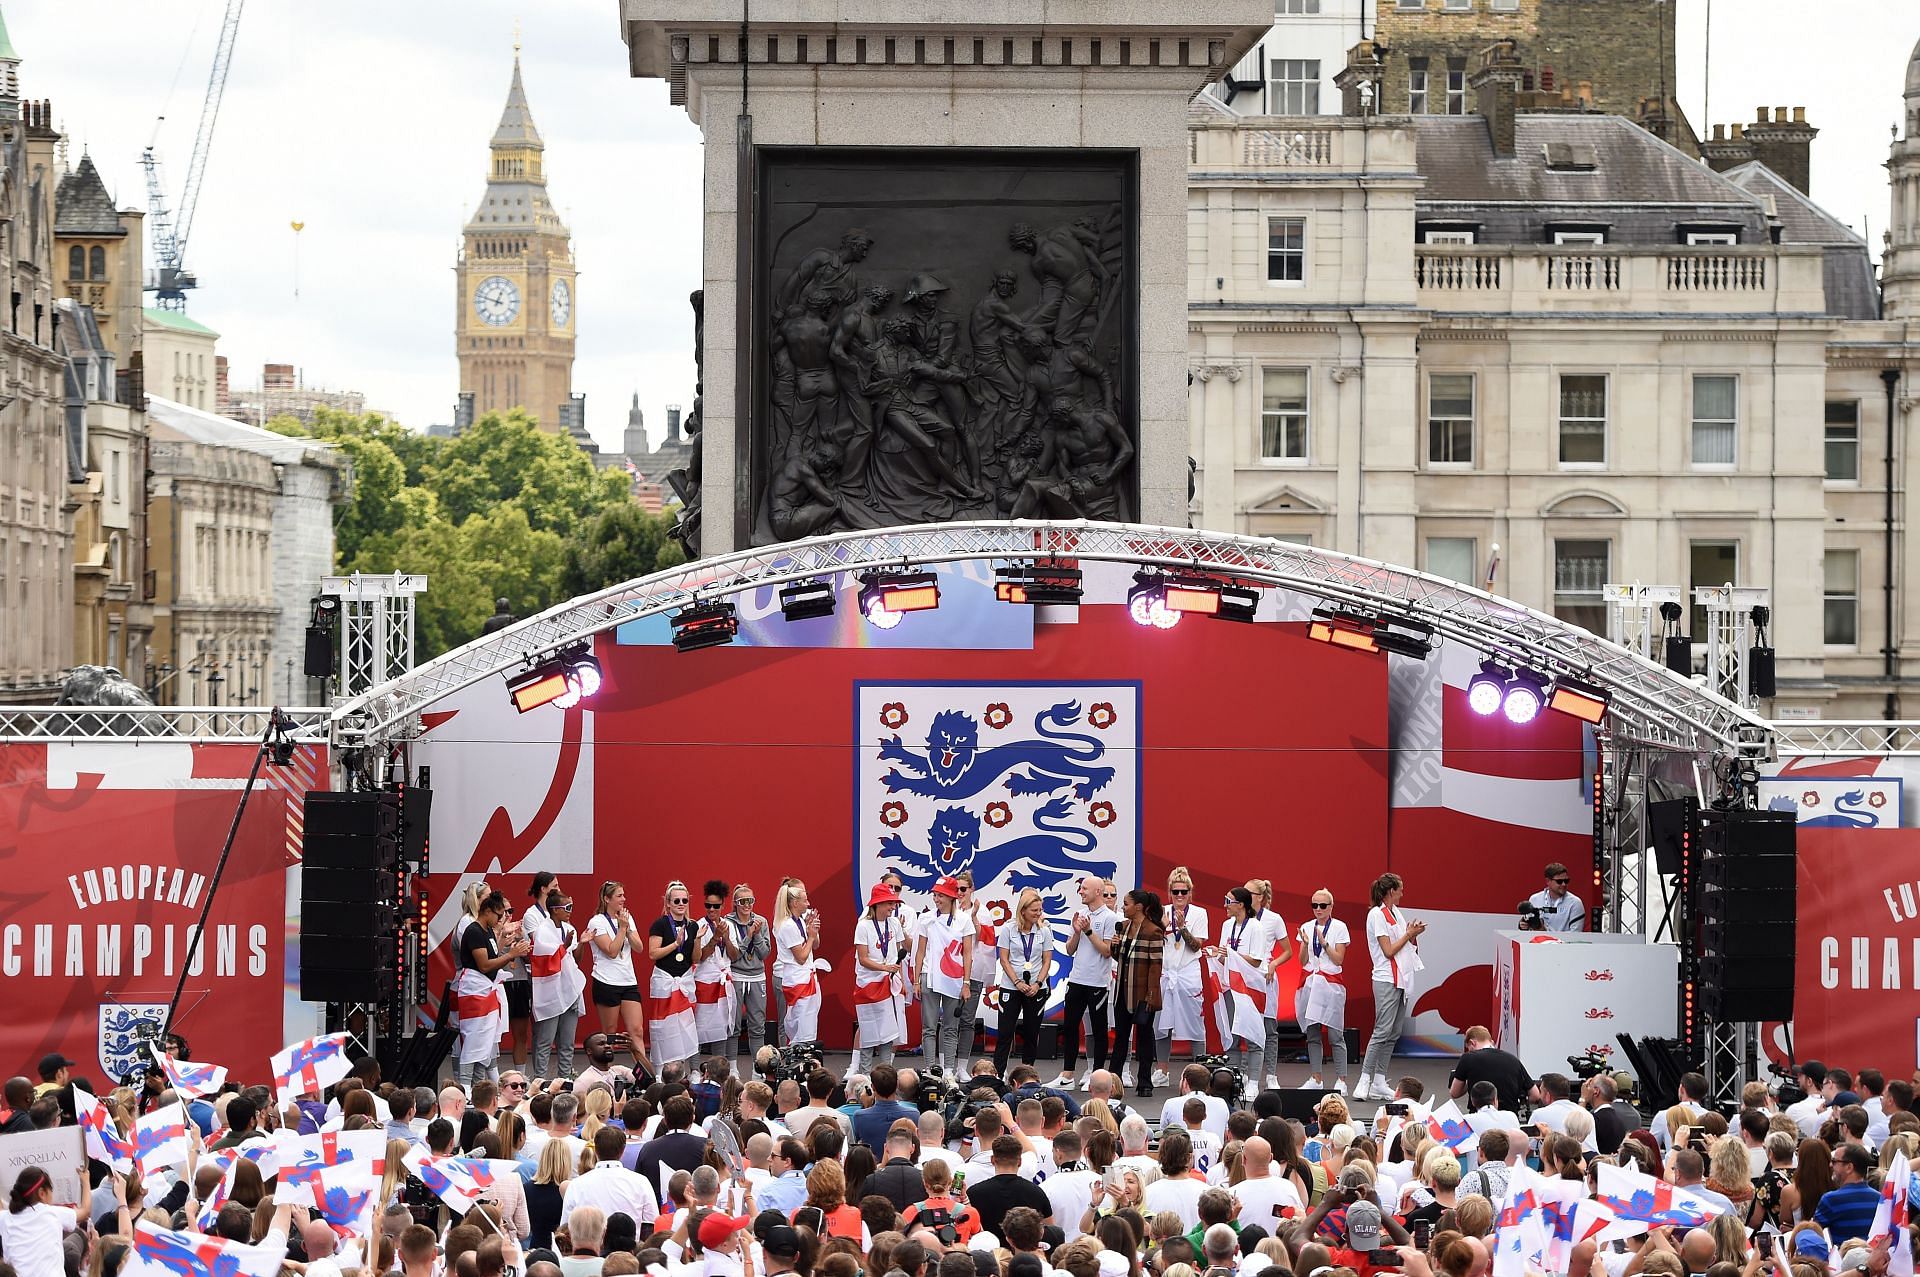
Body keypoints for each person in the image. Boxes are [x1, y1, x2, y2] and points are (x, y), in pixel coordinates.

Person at [1357, 873, 1423, 1101]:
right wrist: (1409, 934)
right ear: (1390, 891)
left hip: (1401, 979)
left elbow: (1404, 944)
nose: (1403, 893)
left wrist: (1413, 935)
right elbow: (1388, 950)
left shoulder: (1396, 913)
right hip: (1386, 977)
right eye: (1400, 889)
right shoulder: (1376, 915)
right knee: (1381, 1030)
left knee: (1393, 1032)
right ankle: (1364, 1079)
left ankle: (1378, 1080)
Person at [458, 891, 530, 1085]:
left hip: (488, 990)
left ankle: (480, 1086)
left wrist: (503, 945)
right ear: (487, 911)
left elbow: (492, 954)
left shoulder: (488, 930)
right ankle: (465, 1087)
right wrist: (511, 954)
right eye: (499, 915)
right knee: (474, 1041)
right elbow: (484, 965)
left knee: (487, 1042)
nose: (501, 920)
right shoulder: (473, 931)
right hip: (475, 992)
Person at [1055, 876, 1119, 1090]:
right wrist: (1076, 931)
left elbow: (1107, 951)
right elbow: (1069, 949)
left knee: (1099, 1030)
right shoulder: (1081, 915)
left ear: (1097, 892)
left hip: (1098, 982)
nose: (1081, 892)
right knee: (1071, 1027)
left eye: (1084, 889)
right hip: (1077, 978)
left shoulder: (1110, 918)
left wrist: (1090, 931)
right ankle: (1067, 1075)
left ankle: (1097, 1077)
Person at [586, 881, 655, 1075]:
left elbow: (639, 947)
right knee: (609, 1033)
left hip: (628, 981)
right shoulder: (597, 921)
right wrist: (622, 929)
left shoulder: (626, 917)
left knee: (637, 1030)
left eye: (624, 895)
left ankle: (646, 1075)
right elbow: (611, 951)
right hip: (606, 981)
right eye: (619, 896)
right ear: (607, 899)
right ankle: (605, 1073)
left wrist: (627, 927)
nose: (623, 899)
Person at [1212, 888, 1269, 1098]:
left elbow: (1256, 960)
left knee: (1253, 1035)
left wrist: (1232, 954)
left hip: (1250, 988)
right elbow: (1222, 956)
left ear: (1241, 905)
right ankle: (1235, 1078)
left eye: (1229, 901)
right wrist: (1215, 954)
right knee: (1232, 1035)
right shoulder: (1227, 926)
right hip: (1231, 985)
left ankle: (1253, 1081)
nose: (1225, 905)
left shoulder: (1256, 927)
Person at [1156, 866, 1210, 1090]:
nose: (1180, 896)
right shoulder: (1161, 911)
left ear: (1190, 893)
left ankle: (1200, 1071)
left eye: (1184, 892)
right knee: (1161, 1023)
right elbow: (1154, 940)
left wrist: (1183, 928)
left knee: (1195, 1022)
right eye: (1176, 892)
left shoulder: (1199, 913)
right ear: (1169, 892)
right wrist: (1163, 927)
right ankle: (1162, 1070)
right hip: (1166, 973)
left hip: (1188, 973)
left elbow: (1197, 945)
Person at [914, 876, 974, 1077]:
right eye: (935, 895)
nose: (936, 899)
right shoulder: (926, 918)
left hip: (953, 978)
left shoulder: (964, 919)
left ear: (951, 897)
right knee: (929, 1027)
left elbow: (967, 953)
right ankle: (931, 1068)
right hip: (929, 976)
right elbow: (920, 951)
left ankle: (948, 1070)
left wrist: (966, 982)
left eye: (941, 895)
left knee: (951, 1026)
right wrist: (916, 980)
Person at [1111, 889, 1166, 1101]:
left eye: (1126, 904)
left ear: (1139, 907)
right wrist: (1115, 947)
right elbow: (1120, 959)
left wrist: (1151, 996)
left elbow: (1155, 967)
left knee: (1144, 1038)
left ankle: (1145, 1081)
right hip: (1123, 992)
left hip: (1143, 994)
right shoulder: (1123, 928)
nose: (1123, 907)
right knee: (1120, 1039)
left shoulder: (1153, 931)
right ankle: (1113, 1082)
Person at [1295, 888, 1351, 1093]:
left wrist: (1324, 942)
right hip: (1311, 983)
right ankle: (1316, 1078)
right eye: (1314, 905)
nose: (1318, 909)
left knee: (1336, 1034)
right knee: (1313, 1033)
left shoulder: (1339, 927)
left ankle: (1341, 1080)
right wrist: (1305, 944)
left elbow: (1338, 959)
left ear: (1331, 907)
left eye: (1322, 905)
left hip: (1331, 984)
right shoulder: (1306, 927)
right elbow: (1302, 961)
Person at [531, 888, 588, 1081]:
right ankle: (540, 1082)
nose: (571, 911)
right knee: (545, 1042)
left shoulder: (569, 929)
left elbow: (575, 960)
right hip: (550, 994)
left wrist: (582, 943)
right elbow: (544, 961)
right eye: (567, 907)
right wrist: (564, 946)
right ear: (555, 909)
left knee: (567, 1043)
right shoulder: (542, 931)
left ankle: (565, 1082)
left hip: (570, 991)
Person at [994, 888, 1053, 1075]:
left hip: (1036, 988)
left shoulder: (1044, 930)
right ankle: (998, 1074)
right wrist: (1017, 982)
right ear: (1023, 911)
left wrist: (1037, 984)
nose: (1038, 914)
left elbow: (1047, 960)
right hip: (1011, 987)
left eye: (1040, 910)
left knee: (1031, 1034)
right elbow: (1004, 959)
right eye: (1034, 910)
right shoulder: (1008, 929)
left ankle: (1028, 1075)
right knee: (1004, 1034)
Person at [853, 883, 909, 1070]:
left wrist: (902, 982)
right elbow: (863, 959)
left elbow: (901, 951)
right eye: (889, 904)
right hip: (869, 985)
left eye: (893, 903)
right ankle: (864, 1075)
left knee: (889, 1032)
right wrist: (884, 968)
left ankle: (886, 1074)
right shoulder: (864, 926)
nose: (892, 907)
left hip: (891, 984)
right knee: (869, 1032)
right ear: (877, 905)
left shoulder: (894, 924)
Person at [647, 881, 702, 1073]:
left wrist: (697, 940)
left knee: (685, 1025)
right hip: (665, 980)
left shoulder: (693, 925)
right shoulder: (660, 924)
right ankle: (661, 1071)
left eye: (684, 900)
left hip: (685, 979)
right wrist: (675, 944)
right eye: (676, 900)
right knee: (663, 1027)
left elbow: (696, 958)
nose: (681, 903)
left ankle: (681, 1071)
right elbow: (653, 954)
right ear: (668, 903)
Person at [1245, 880, 1293, 1093]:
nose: (1245, 895)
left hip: (1266, 977)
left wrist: (1273, 963)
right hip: (1245, 977)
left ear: (1261, 897)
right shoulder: (1240, 918)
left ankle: (1271, 1074)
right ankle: (1247, 1073)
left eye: (1250, 893)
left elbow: (1287, 950)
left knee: (1269, 1028)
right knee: (1246, 1027)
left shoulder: (1274, 919)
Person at [1, 1165, 87, 1277]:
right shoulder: (51, 1213)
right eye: (51, 1190)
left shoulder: (6, 1218)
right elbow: (85, 1211)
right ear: (42, 1193)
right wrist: (85, 1181)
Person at [771, 878, 824, 1045]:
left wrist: (813, 931)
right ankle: (797, 1058)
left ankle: (804, 1055)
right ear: (794, 903)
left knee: (807, 1023)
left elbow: (815, 945)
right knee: (800, 1025)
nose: (808, 904)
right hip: (798, 981)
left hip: (805, 978)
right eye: (805, 900)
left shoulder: (800, 920)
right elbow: (801, 957)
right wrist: (811, 936)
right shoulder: (787, 925)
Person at [725, 883, 773, 1067]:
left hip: (757, 977)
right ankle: (732, 1068)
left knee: (757, 1026)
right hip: (736, 975)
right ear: (735, 903)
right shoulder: (728, 922)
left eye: (750, 900)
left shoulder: (761, 921)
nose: (747, 905)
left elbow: (764, 954)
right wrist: (748, 935)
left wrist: (757, 935)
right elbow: (734, 956)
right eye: (743, 901)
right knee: (733, 1025)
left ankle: (758, 1068)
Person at [693, 881, 739, 1061]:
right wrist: (715, 937)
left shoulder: (729, 925)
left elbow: (734, 956)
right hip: (704, 982)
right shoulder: (699, 926)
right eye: (707, 905)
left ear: (723, 906)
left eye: (715, 906)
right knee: (699, 1027)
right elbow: (700, 957)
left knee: (721, 1026)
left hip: (723, 980)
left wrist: (726, 938)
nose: (711, 909)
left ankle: (718, 1069)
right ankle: (695, 1069)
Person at [1447, 1027, 1531, 1113]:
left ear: (1472, 1043)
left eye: (1469, 1048)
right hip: (1509, 1120)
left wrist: (1468, 1078)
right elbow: (1535, 1094)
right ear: (1492, 1042)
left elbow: (1455, 1093)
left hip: (1478, 1120)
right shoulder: (1514, 1060)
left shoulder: (1468, 1058)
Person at [1813, 1144, 1878, 1238]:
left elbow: (1813, 1234)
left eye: (1834, 1161)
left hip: (1843, 1252)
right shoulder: (1879, 1199)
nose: (1830, 1165)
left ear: (1849, 1167)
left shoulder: (1831, 1200)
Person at [1527, 863, 1585, 933]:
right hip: (1536, 942)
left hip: (1564, 943)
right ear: (1548, 881)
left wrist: (1545, 933)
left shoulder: (1575, 903)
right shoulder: (1534, 899)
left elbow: (1575, 935)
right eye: (1559, 881)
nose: (1564, 884)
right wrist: (1523, 926)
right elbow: (1529, 930)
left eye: (1566, 881)